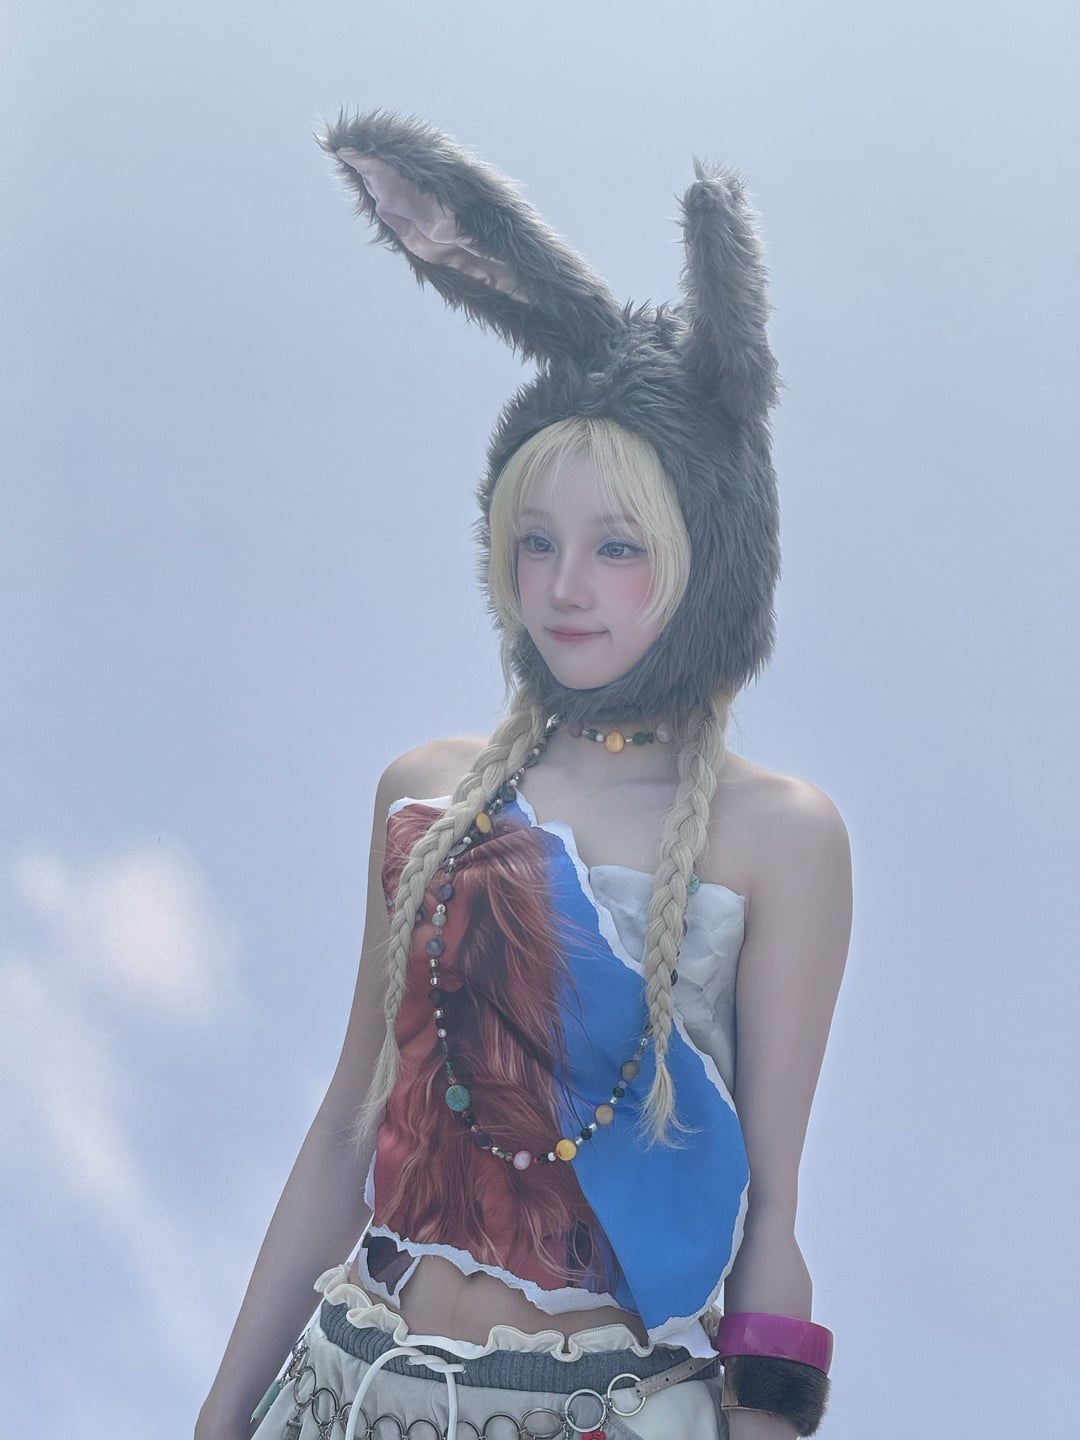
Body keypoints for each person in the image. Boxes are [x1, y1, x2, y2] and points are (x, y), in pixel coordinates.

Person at [196, 111, 851, 1440]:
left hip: (604, 1409)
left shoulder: (781, 838)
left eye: (620, 545)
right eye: (535, 538)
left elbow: (773, 1216)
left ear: (710, 556)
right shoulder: (424, 793)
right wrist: (218, 1421)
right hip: (338, 1386)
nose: (563, 587)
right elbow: (347, 1132)